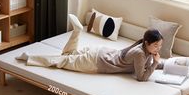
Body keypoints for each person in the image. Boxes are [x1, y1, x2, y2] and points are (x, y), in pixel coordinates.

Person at [16, 14, 164, 81]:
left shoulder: (143, 47)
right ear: (147, 43)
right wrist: (156, 63)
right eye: (156, 45)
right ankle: (29, 57)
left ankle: (77, 31)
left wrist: (166, 64)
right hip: (97, 61)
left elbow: (147, 64)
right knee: (61, 61)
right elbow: (141, 77)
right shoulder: (140, 54)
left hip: (100, 51)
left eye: (160, 45)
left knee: (68, 54)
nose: (158, 48)